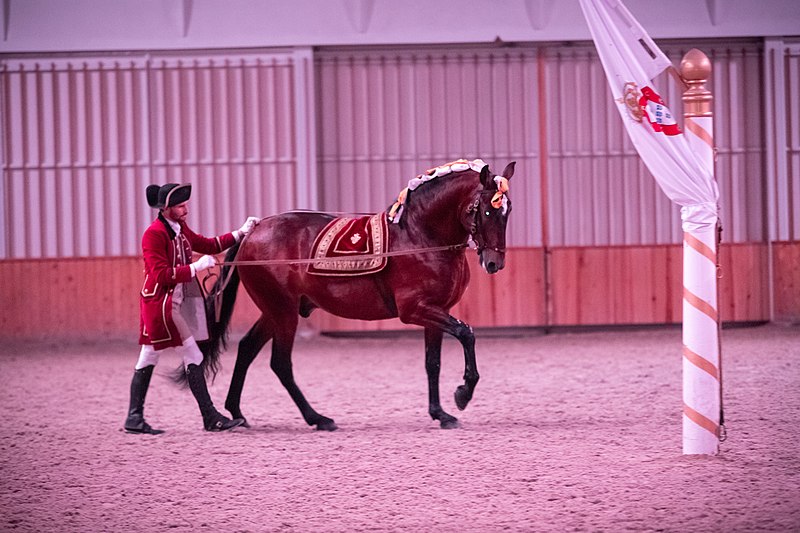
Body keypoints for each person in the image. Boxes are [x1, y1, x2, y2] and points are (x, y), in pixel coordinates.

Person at [124, 182, 259, 434]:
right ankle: (210, 417)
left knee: (149, 355)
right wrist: (197, 268)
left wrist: (240, 232)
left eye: (185, 204)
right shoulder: (153, 234)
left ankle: (134, 418)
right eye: (180, 206)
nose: (185, 209)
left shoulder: (179, 228)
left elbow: (208, 244)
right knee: (193, 355)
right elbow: (160, 274)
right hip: (162, 304)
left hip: (175, 301)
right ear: (166, 209)